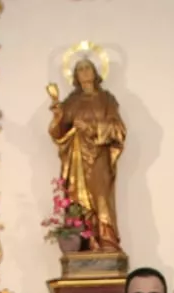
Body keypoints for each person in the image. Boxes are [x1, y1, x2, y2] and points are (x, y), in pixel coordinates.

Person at [48, 57, 126, 252]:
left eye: (87, 68)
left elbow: (118, 129)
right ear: (75, 76)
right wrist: (58, 117)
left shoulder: (107, 99)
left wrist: (91, 128)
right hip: (76, 160)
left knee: (101, 199)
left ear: (95, 73)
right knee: (77, 200)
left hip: (99, 157)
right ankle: (84, 242)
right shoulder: (71, 102)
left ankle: (107, 241)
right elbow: (60, 134)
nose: (84, 72)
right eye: (79, 69)